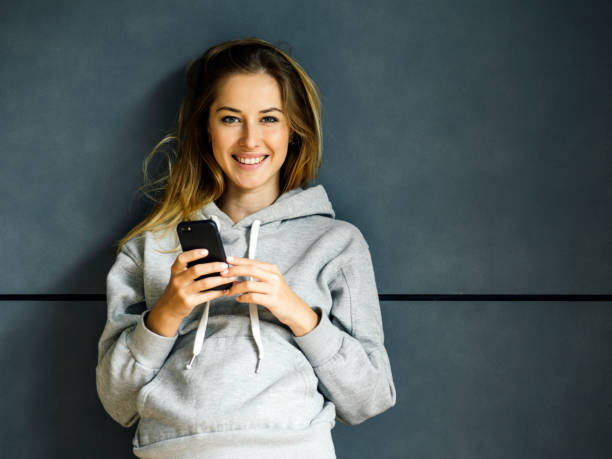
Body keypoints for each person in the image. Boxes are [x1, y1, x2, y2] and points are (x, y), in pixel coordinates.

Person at [96, 37, 396, 459]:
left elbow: (369, 398)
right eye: (231, 118)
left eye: (270, 118)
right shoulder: (152, 245)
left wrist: (299, 315)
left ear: (295, 130)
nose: (251, 139)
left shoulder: (336, 243)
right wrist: (165, 313)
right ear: (206, 128)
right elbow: (117, 401)